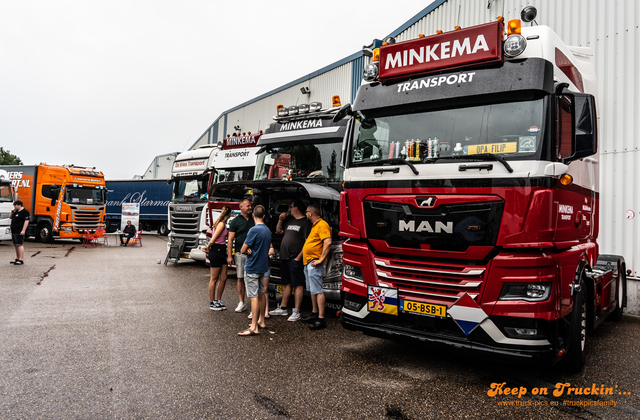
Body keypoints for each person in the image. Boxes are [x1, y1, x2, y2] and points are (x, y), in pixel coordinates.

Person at [269, 200, 311, 322]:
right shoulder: (289, 221)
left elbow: (308, 242)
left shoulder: (305, 223)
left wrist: (299, 257)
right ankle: (283, 307)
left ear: (297, 208)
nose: (289, 209)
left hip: (295, 258)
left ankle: (296, 311)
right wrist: (281, 220)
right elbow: (278, 231)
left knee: (297, 284)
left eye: (291, 207)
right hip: (285, 257)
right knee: (286, 283)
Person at [238, 205, 271, 336]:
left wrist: (247, 249)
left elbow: (242, 249)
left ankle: (254, 327)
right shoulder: (267, 230)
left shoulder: (253, 230)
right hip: (263, 266)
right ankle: (261, 320)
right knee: (261, 293)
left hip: (252, 267)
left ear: (253, 215)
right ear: (264, 216)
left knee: (253, 297)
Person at [301, 204, 332, 330]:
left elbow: (328, 241)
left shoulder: (322, 224)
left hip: (315, 263)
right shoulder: (315, 225)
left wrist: (320, 259)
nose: (306, 214)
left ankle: (321, 319)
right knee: (312, 290)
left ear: (310, 213)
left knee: (318, 290)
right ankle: (314, 314)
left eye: (307, 212)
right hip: (308, 262)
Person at [227, 198, 254, 312]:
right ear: (241, 207)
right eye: (247, 206)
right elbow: (230, 239)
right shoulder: (235, 221)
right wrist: (229, 255)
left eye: (250, 206)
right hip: (240, 254)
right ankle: (241, 302)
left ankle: (254, 304)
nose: (250, 208)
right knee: (240, 278)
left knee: (254, 278)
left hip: (254, 254)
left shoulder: (254, 219)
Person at [202, 206, 232, 311]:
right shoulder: (221, 224)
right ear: (229, 214)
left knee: (223, 277)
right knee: (214, 279)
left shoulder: (223, 224)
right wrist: (208, 247)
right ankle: (212, 302)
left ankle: (218, 300)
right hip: (216, 250)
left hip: (222, 250)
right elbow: (214, 239)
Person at [9, 200, 29, 265]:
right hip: (14, 230)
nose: (14, 207)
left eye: (15, 205)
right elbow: (10, 217)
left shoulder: (25, 212)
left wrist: (23, 230)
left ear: (19, 205)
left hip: (19, 230)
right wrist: (12, 212)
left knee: (19, 244)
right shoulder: (15, 212)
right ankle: (17, 258)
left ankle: (21, 259)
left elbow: (26, 221)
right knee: (15, 244)